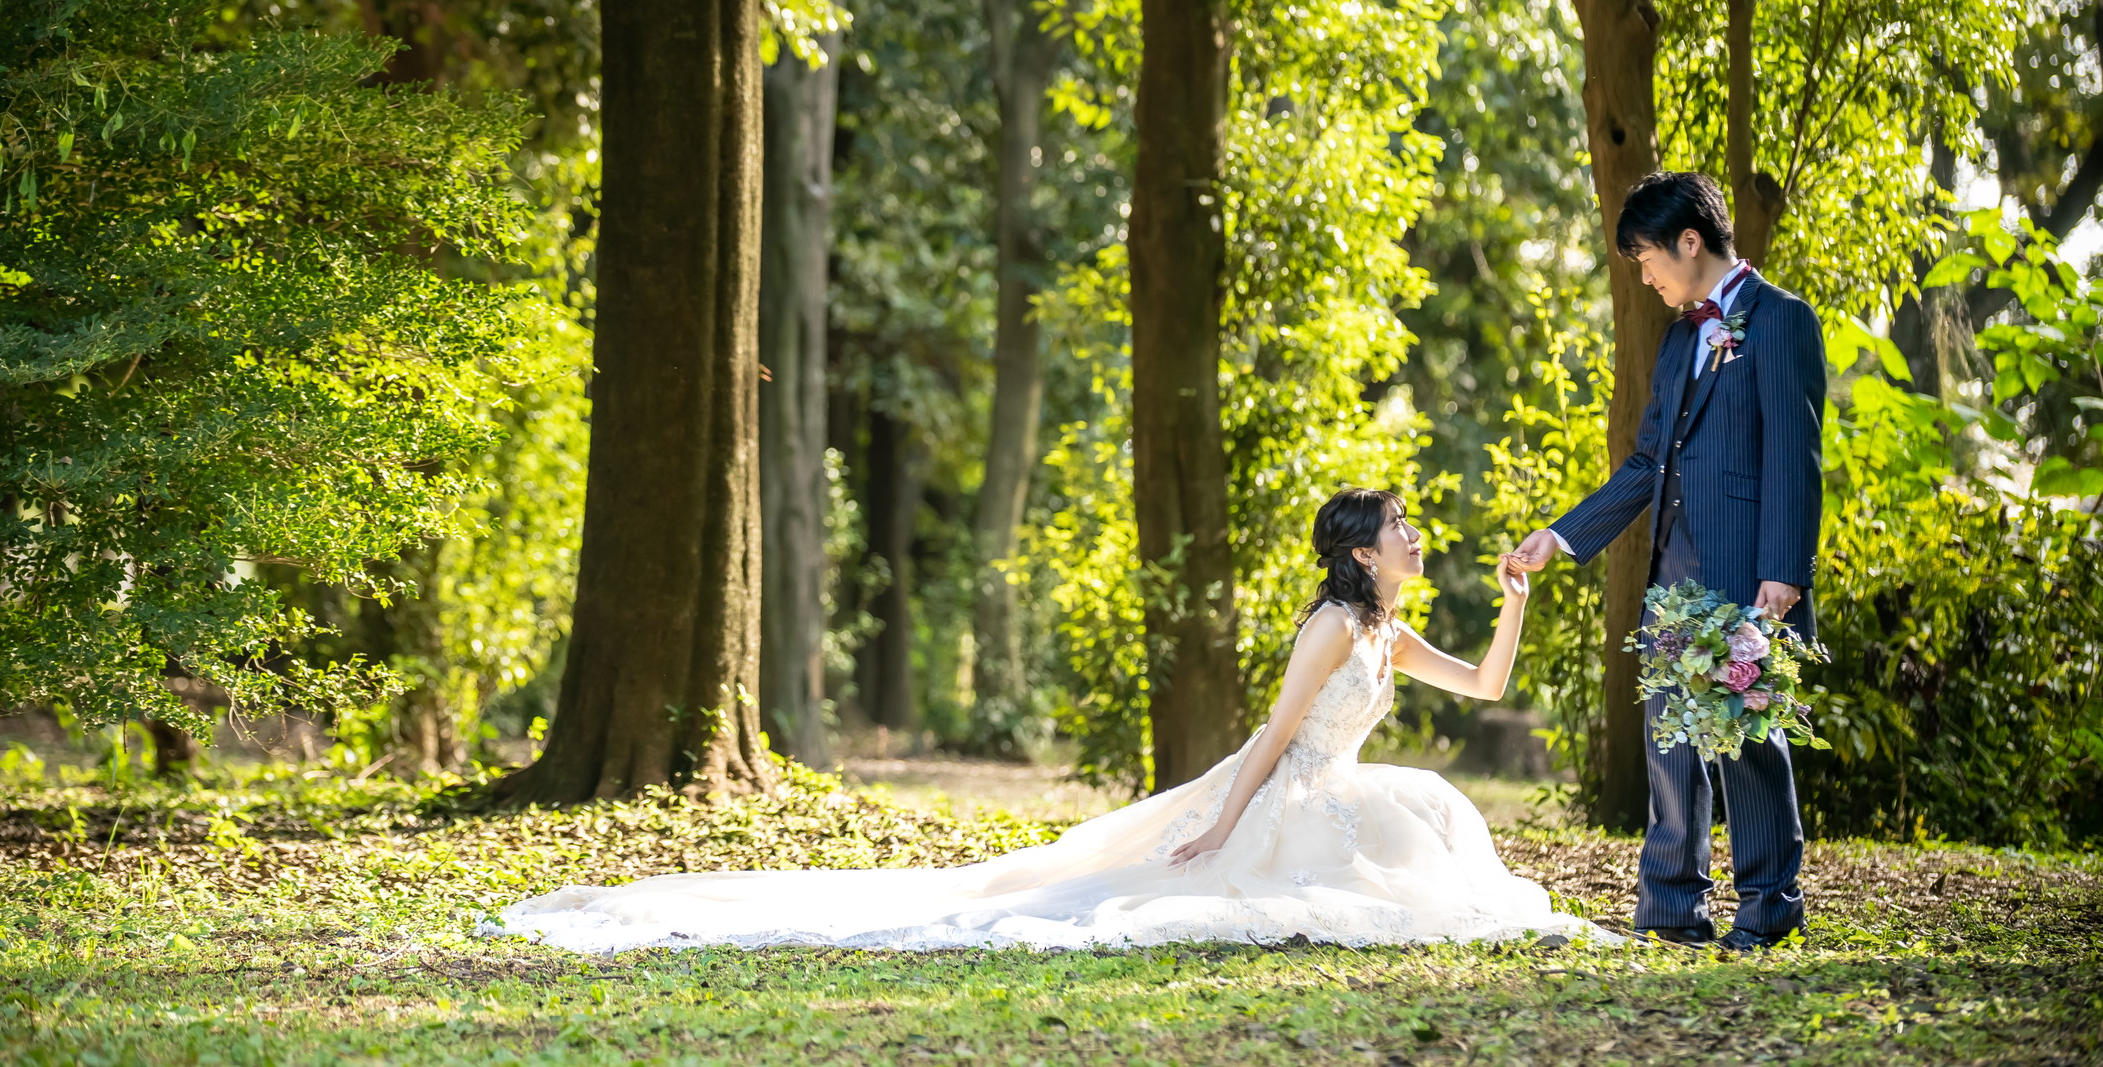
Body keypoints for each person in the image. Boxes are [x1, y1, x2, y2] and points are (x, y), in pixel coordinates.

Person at [491, 488, 1602, 953]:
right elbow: (1272, 736)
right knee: (1133, 887)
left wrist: (1514, 602)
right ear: (1364, 553)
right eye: (1400, 530)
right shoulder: (1330, 629)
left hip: (1339, 789)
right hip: (1286, 789)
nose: (1415, 538)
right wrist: (1224, 822)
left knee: (1430, 812)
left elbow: (1489, 688)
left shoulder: (1390, 635)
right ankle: (1222, 849)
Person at [1507, 170, 1824, 954]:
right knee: (1671, 750)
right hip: (1673, 583)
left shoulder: (1782, 321)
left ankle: (1768, 912)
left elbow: (1795, 455)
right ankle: (1672, 913)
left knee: (1749, 747)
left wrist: (1780, 578)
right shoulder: (1683, 336)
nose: (1644, 277)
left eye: (1648, 259)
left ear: (1691, 241)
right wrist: (1564, 535)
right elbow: (1650, 462)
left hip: (1751, 584)